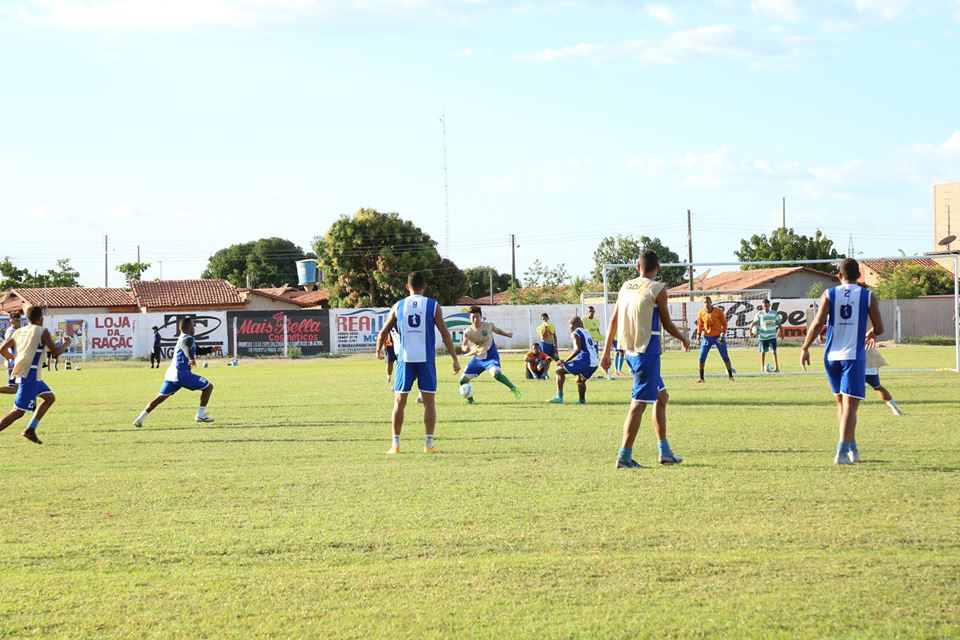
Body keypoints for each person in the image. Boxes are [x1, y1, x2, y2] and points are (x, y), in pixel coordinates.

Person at [600, 251, 690, 469]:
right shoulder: (658, 289)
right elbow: (667, 323)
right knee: (638, 404)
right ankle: (623, 457)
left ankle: (665, 452)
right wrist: (683, 338)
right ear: (657, 267)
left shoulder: (626, 286)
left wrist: (606, 352)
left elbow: (613, 320)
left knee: (662, 396)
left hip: (629, 350)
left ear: (636, 267)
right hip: (646, 352)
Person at [801, 258, 884, 465]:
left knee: (841, 404)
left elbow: (818, 323)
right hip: (852, 357)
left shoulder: (829, 293)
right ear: (859, 276)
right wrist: (871, 333)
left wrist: (805, 348)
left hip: (831, 357)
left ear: (839, 276)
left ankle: (852, 449)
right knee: (850, 406)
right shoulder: (867, 295)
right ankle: (841, 451)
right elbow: (880, 328)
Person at [376, 271, 460, 454]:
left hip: (405, 361)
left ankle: (395, 445)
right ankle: (429, 445)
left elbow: (383, 333)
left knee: (399, 402)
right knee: (429, 403)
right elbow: (445, 334)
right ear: (425, 286)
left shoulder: (398, 305)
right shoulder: (433, 305)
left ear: (407, 286)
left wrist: (378, 350)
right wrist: (454, 358)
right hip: (426, 360)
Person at [0, 306, 73, 444]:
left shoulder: (20, 331)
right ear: (41, 318)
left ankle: (30, 430)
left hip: (30, 374)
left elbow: (2, 349)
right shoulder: (42, 331)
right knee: (18, 412)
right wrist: (66, 344)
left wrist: (15, 359)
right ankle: (29, 430)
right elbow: (56, 352)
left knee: (49, 398)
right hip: (30, 375)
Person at [133, 317, 217, 428]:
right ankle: (200, 415)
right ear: (188, 327)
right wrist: (191, 358)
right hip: (182, 374)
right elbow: (185, 347)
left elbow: (199, 350)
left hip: (171, 375)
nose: (194, 327)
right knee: (208, 387)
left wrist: (211, 349)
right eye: (193, 325)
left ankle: (140, 419)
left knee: (159, 398)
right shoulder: (188, 339)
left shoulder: (184, 337)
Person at [459, 306, 521, 403]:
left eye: (477, 317)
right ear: (470, 318)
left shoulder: (488, 325)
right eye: (473, 317)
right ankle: (471, 400)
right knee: (463, 381)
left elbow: (498, 331)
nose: (475, 320)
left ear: (481, 317)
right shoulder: (467, 332)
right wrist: (464, 348)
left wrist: (507, 334)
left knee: (496, 374)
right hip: (477, 359)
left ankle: (514, 389)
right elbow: (464, 344)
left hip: (490, 356)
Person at [548, 316, 599, 404]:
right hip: (594, 362)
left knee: (559, 370)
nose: (569, 326)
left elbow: (577, 350)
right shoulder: (587, 332)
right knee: (580, 380)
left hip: (585, 361)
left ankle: (559, 397)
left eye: (571, 324)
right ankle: (581, 402)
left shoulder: (575, 333)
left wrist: (565, 361)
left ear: (578, 324)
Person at [696, 296, 734, 383]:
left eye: (708, 302)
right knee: (701, 357)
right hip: (707, 337)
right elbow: (700, 325)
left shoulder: (718, 311)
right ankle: (701, 378)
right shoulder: (701, 312)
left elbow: (724, 323)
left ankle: (731, 376)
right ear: (703, 303)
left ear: (711, 302)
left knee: (725, 356)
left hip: (718, 337)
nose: (706, 304)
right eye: (705, 302)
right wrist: (698, 334)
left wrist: (723, 333)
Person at [864, 338, 903, 416]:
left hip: (859, 361)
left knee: (848, 390)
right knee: (877, 387)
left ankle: (846, 412)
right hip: (869, 361)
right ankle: (896, 410)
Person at [750, 298, 783, 372]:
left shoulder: (774, 313)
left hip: (772, 336)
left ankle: (777, 368)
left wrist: (782, 332)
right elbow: (754, 322)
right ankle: (762, 368)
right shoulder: (759, 314)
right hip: (762, 336)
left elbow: (778, 323)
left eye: (767, 305)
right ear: (762, 306)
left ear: (769, 305)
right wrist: (750, 330)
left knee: (774, 352)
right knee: (762, 352)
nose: (765, 307)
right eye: (764, 306)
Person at [1, 312, 21, 396]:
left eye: (19, 320)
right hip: (14, 365)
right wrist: (10, 359)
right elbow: (3, 348)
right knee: (14, 389)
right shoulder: (12, 332)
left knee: (15, 389)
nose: (19, 323)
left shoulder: (13, 330)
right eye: (16, 321)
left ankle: (31, 405)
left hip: (16, 364)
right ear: (11, 321)